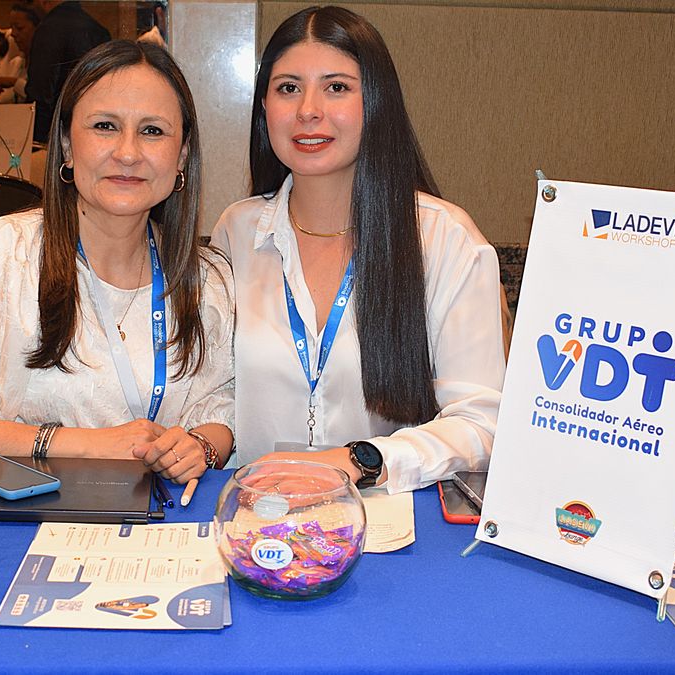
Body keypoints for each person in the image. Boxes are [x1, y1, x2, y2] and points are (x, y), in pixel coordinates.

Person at [210, 6, 506, 493]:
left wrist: (359, 461)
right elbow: (213, 392)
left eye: (337, 87)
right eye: (288, 88)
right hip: (256, 516)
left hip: (390, 523)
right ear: (264, 108)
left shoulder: (444, 238)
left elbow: (481, 424)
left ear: (377, 103)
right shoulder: (235, 232)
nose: (308, 109)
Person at [0, 40, 233, 484]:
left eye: (152, 131)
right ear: (66, 145)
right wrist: (90, 444)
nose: (127, 152)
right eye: (105, 126)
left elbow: (226, 406)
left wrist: (200, 445)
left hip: (167, 526)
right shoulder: (0, 253)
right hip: (31, 519)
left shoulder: (208, 278)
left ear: (182, 156)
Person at [26, 1, 111, 144]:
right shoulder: (99, 29)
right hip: (95, 130)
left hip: (57, 134)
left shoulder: (49, 28)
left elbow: (42, 91)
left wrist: (37, 141)